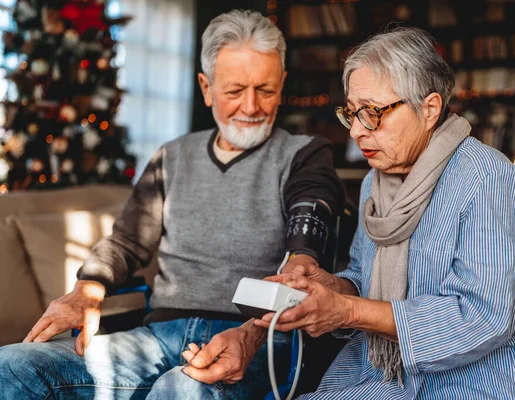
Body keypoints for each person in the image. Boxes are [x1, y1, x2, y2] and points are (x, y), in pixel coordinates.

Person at [0, 10, 345, 399]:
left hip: (258, 338)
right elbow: (126, 243)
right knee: (13, 365)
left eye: (265, 89)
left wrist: (258, 327)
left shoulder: (306, 155)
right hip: (157, 337)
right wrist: (85, 291)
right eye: (234, 91)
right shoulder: (172, 157)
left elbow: (307, 238)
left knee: (179, 389)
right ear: (206, 86)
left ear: (282, 84)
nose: (251, 106)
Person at [255, 27, 515, 399]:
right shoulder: (376, 183)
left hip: (499, 378)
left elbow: (480, 319)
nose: (357, 133)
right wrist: (333, 287)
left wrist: (348, 310)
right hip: (393, 374)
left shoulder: (487, 180)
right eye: (351, 114)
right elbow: (367, 279)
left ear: (429, 109)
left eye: (373, 113)